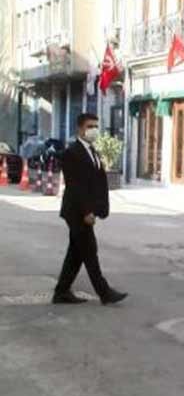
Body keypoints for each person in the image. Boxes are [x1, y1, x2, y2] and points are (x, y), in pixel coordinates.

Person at [54, 113, 127, 305]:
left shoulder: (92, 150)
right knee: (89, 251)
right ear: (80, 128)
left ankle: (61, 292)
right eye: (90, 126)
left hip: (87, 209)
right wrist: (87, 211)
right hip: (77, 211)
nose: (94, 130)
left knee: (76, 253)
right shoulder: (72, 152)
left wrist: (97, 208)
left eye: (96, 126)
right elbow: (75, 186)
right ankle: (105, 293)